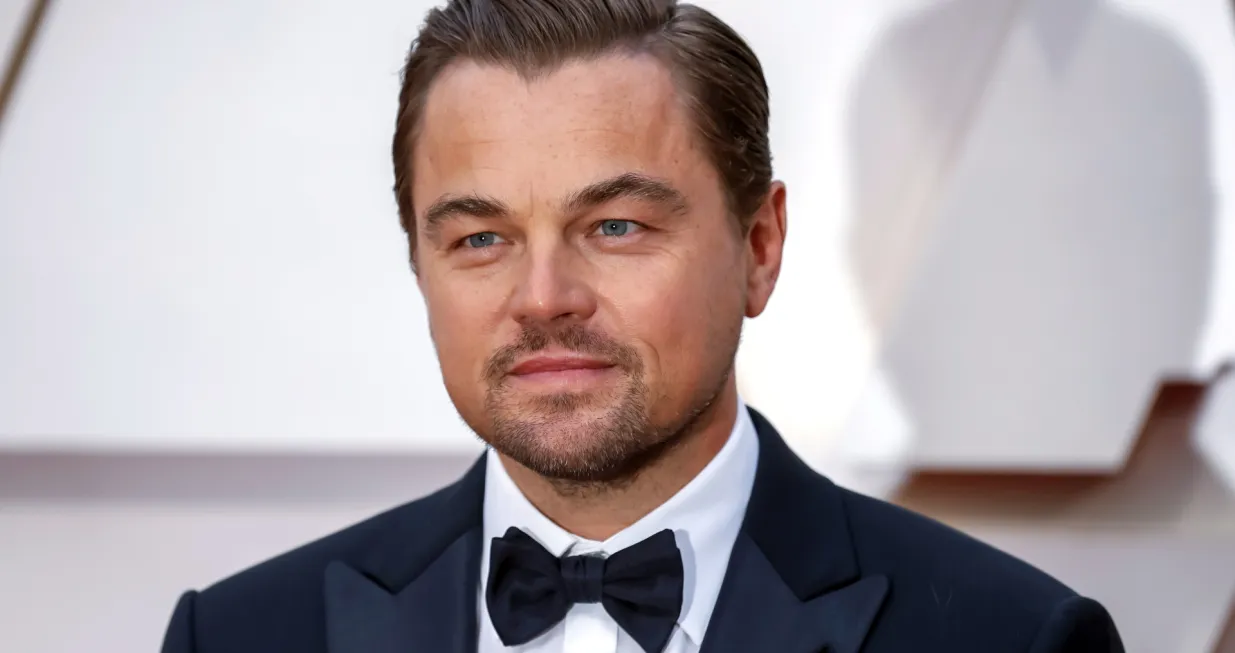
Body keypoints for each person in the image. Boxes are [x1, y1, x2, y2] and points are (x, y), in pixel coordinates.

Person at [160, 1, 1125, 651]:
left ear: (758, 245)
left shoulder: (1011, 639)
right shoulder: (244, 635)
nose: (543, 296)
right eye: (482, 236)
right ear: (419, 261)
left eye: (614, 226)